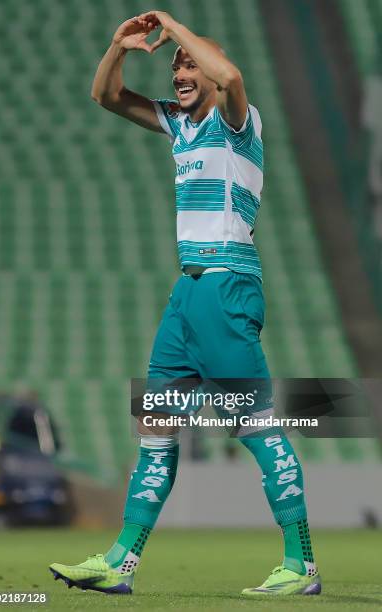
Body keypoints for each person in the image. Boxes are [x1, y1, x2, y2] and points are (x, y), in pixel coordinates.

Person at [49, 10, 321, 597]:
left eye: (189, 63)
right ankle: (120, 562)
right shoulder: (180, 125)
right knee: (156, 426)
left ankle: (301, 565)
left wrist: (173, 26)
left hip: (227, 285)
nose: (180, 70)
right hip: (188, 293)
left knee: (257, 428)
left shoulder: (238, 121)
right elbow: (106, 95)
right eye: (176, 65)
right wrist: (118, 46)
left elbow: (233, 73)